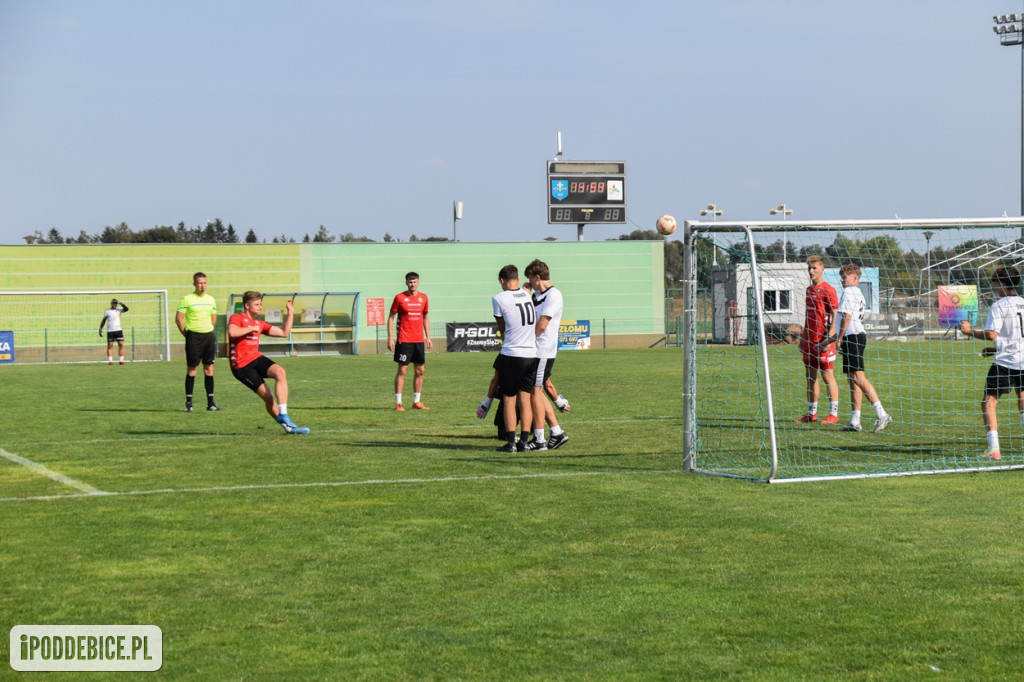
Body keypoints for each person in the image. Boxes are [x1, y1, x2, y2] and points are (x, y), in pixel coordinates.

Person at [959, 266, 1024, 460]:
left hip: (1006, 362)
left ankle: (994, 449)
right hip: (1023, 359)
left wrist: (969, 331)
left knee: (989, 402)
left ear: (1002, 284)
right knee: (1022, 399)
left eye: (996, 284)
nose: (995, 288)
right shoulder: (1023, 302)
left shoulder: (999, 305)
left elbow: (991, 334)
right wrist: (996, 349)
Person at [227, 291, 310, 435]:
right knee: (269, 398)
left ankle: (283, 414)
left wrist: (290, 313)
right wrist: (251, 329)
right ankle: (288, 428)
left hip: (255, 358)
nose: (260, 307)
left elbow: (284, 333)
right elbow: (232, 332)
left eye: (260, 304)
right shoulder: (237, 317)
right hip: (241, 366)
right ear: (247, 306)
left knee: (280, 372)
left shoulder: (259, 323)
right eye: (257, 304)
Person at [823, 264, 891, 432]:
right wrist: (825, 343)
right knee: (853, 380)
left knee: (859, 377)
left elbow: (846, 317)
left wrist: (838, 339)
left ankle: (882, 414)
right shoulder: (858, 293)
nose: (841, 280)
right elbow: (843, 321)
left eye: (844, 277)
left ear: (854, 278)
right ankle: (855, 421)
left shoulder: (849, 291)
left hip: (852, 337)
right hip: (854, 336)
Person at [491, 264, 538, 452]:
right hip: (531, 354)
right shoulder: (528, 295)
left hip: (512, 353)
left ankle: (511, 442)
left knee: (509, 399)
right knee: (525, 400)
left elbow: (502, 327)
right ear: (517, 279)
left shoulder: (498, 298)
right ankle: (524, 442)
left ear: (502, 280)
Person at [524, 259, 570, 451]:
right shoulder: (537, 295)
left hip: (543, 350)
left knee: (535, 392)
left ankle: (539, 439)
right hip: (536, 350)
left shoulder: (554, 295)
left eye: (530, 280)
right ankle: (557, 432)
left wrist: (525, 341)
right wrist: (524, 293)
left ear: (538, 277)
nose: (530, 283)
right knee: (538, 390)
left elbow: (542, 325)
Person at [798, 256, 840, 425]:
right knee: (810, 377)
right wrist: (803, 337)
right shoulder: (808, 290)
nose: (811, 271)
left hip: (823, 340)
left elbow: (836, 316)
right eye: (810, 268)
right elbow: (809, 316)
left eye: (815, 268)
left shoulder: (828, 290)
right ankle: (811, 413)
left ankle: (833, 414)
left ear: (822, 269)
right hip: (809, 340)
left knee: (827, 376)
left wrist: (829, 340)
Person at [387, 272, 432, 411]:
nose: (412, 284)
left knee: (420, 371)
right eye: (410, 282)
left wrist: (428, 337)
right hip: (404, 340)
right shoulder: (399, 298)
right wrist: (390, 338)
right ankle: (398, 403)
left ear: (418, 282)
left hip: (418, 340)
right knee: (403, 370)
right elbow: (391, 317)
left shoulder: (423, 298)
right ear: (406, 283)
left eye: (415, 282)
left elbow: (425, 317)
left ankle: (416, 402)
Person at [176, 272, 219, 412]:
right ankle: (189, 404)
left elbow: (214, 318)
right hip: (194, 337)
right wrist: (187, 336)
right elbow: (179, 319)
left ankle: (211, 403)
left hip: (208, 337)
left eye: (205, 282)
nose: (203, 285)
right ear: (194, 284)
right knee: (192, 370)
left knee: (209, 369)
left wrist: (209, 328)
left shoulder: (211, 299)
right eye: (200, 283)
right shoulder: (187, 299)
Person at [98, 298, 129, 365]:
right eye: (113, 303)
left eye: (115, 303)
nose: (114, 304)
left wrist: (120, 303)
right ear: (111, 303)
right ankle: (110, 361)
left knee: (121, 344)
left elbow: (127, 309)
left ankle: (121, 360)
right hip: (110, 331)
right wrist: (100, 328)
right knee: (110, 345)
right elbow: (103, 320)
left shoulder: (119, 310)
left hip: (118, 330)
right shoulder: (107, 311)